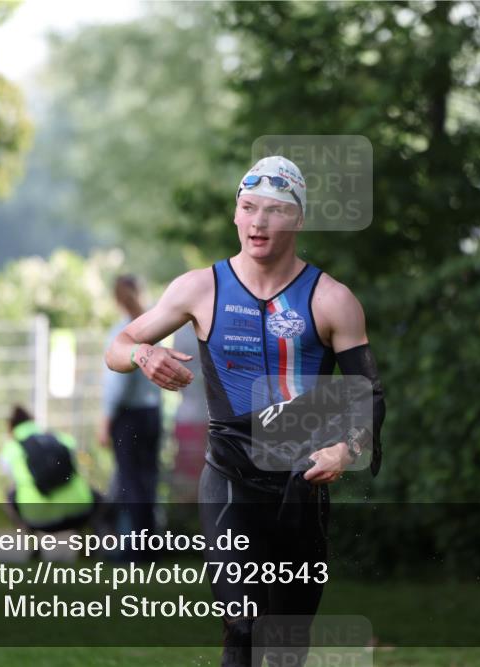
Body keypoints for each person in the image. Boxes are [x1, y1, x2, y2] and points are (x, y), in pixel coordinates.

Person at [104, 156, 386, 666]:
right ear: (235, 215)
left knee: (286, 645)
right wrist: (145, 355)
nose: (258, 222)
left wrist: (346, 450)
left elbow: (368, 395)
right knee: (243, 623)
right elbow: (119, 345)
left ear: (297, 219)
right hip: (230, 476)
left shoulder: (332, 300)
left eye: (274, 210)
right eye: (248, 207)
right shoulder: (200, 288)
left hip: (303, 483)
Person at [98, 275, 162, 561]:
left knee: (130, 482)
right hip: (153, 413)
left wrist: (105, 418)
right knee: (148, 481)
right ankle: (151, 546)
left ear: (116, 298)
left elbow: (117, 382)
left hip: (128, 416)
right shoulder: (156, 328)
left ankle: (134, 550)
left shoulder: (122, 332)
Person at [0, 405, 99, 537]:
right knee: (91, 491)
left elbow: (6, 471)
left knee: (11, 495)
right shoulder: (60, 438)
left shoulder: (11, 448)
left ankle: (32, 542)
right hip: (79, 513)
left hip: (37, 518)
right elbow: (75, 458)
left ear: (11, 428)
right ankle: (88, 537)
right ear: (32, 421)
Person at [169, 322, 208, 504]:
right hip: (205, 416)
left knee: (189, 482)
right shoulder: (216, 322)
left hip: (189, 414)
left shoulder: (181, 332)